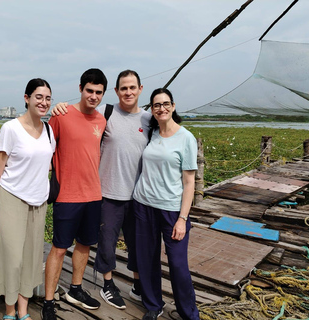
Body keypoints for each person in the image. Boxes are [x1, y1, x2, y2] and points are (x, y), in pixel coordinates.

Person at [51, 70, 151, 310]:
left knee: (138, 242)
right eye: (123, 88)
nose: (128, 92)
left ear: (140, 89)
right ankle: (107, 285)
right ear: (115, 92)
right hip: (106, 191)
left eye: (132, 87)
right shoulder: (106, 112)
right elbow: (80, 112)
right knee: (106, 243)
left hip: (138, 194)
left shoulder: (150, 119)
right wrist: (59, 106)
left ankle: (138, 286)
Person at [41, 68, 107, 320]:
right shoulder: (62, 114)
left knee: (84, 244)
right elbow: (44, 147)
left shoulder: (101, 120)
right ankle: (48, 301)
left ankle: (75, 289)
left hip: (93, 194)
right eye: (89, 90)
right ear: (80, 89)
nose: (93, 96)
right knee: (59, 248)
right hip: (67, 194)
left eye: (98, 92)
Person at [0, 78, 56, 320]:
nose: (44, 102)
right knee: (13, 259)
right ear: (26, 98)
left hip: (39, 203)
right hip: (11, 200)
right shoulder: (11, 129)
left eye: (48, 98)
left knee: (31, 258)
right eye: (39, 97)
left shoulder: (49, 130)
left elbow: (46, 165)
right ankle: (9, 310)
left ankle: (24, 311)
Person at [132, 88, 199, 320]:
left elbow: (189, 182)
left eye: (165, 103)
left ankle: (189, 312)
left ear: (173, 106)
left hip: (172, 209)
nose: (161, 108)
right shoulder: (151, 133)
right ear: (151, 109)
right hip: (143, 205)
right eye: (156, 105)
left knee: (178, 264)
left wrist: (182, 218)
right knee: (147, 258)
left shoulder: (186, 138)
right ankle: (153, 304)